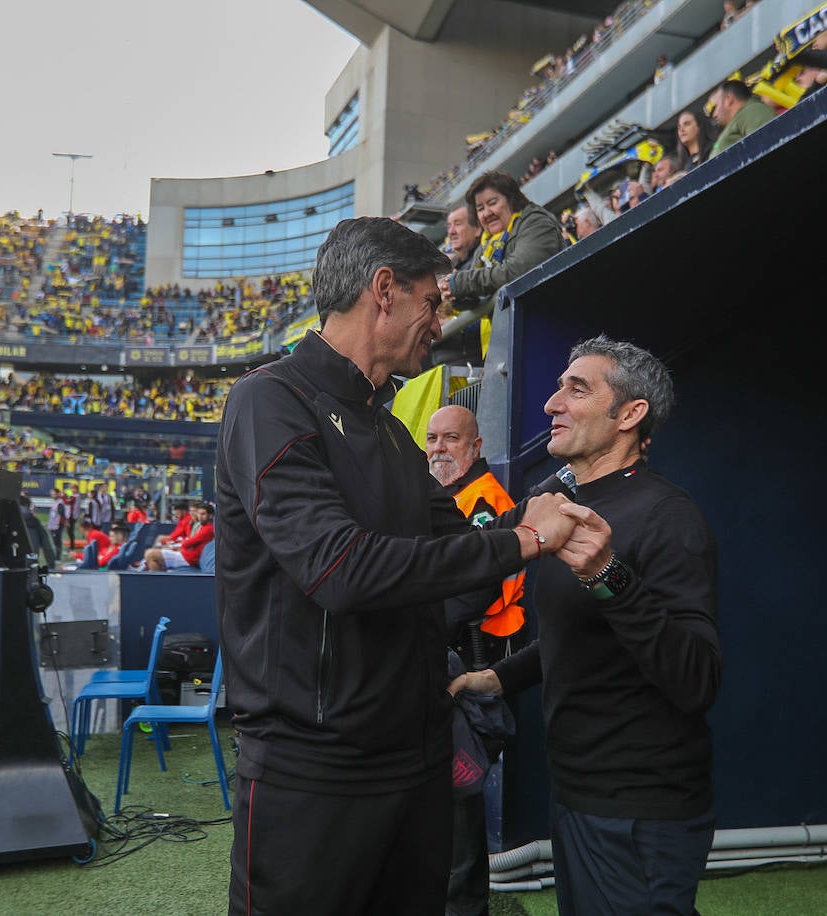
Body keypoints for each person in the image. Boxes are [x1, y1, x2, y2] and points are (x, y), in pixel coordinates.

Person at [215, 216, 611, 915]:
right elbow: (339, 569)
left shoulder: (392, 433)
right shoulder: (269, 401)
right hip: (314, 771)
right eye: (434, 301)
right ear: (385, 290)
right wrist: (526, 540)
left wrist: (556, 520)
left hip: (415, 758)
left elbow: (465, 555)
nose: (440, 321)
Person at [449, 336, 722, 915]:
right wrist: (496, 680)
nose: (552, 404)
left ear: (629, 414)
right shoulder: (552, 498)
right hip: (576, 790)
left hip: (641, 807)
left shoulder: (668, 517)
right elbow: (577, 638)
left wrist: (609, 575)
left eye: (577, 389)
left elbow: (697, 679)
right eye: (557, 387)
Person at [424, 405, 527, 916]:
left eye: (450, 438)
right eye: (432, 438)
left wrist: (419, 635)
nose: (438, 448)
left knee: (460, 801)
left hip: (470, 666)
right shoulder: (442, 496)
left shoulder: (484, 500)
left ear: (476, 446)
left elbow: (474, 583)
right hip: (446, 661)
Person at [437, 170, 566, 362]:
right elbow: (478, 296)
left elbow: (519, 270)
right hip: (504, 345)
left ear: (511, 200)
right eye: (480, 208)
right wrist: (455, 294)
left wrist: (461, 282)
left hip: (544, 333)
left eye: (492, 203)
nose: (487, 213)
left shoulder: (536, 222)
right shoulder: (486, 243)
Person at [428, 203, 484, 368]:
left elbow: (488, 316)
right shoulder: (451, 268)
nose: (451, 231)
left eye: (458, 224)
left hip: (470, 366)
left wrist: (448, 322)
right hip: (442, 364)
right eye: (449, 226)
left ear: (478, 229)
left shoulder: (482, 266)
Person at [709, 78, 777, 156]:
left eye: (716, 106)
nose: (714, 114)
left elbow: (767, 146)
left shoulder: (753, 111)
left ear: (728, 99)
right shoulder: (744, 116)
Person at [143, 502, 213, 571]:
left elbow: (187, 543)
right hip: (185, 553)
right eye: (199, 514)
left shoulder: (208, 528)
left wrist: (182, 544)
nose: (200, 516)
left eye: (203, 514)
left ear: (210, 515)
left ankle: (155, 580)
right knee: (151, 553)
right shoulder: (201, 526)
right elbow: (188, 541)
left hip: (189, 558)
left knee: (150, 554)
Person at [672, 108, 716, 174]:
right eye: (679, 127)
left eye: (687, 124)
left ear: (699, 126)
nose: (681, 129)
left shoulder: (714, 150)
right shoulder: (682, 165)